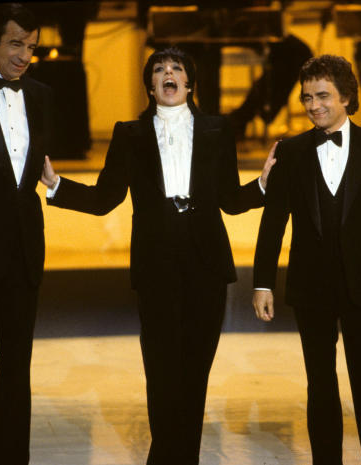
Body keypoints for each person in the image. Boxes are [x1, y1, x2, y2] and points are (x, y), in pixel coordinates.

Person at [41, 47, 275, 464]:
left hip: (206, 263)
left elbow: (230, 200)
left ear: (189, 82)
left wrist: (262, 184)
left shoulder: (216, 131)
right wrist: (58, 185)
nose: (168, 74)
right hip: (156, 264)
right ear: (150, 84)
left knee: (195, 370)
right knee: (163, 369)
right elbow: (104, 198)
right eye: (160, 70)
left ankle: (178, 456)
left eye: (177, 69)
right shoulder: (129, 134)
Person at [252, 55, 361, 465]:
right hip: (310, 287)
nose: (314, 105)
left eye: (323, 96)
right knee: (320, 387)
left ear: (347, 96)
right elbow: (273, 222)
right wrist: (262, 283)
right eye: (307, 97)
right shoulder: (290, 151)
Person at [0, 4, 53, 464]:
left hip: (24, 250)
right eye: (17, 44)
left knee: (16, 367)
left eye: (32, 47)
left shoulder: (40, 95)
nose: (24, 56)